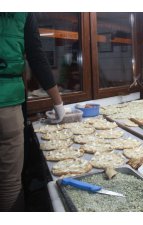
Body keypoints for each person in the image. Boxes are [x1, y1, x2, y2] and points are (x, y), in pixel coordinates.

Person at [0, 12, 65, 211]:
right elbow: (36, 57)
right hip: (7, 104)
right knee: (9, 182)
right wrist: (58, 103)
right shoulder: (21, 13)